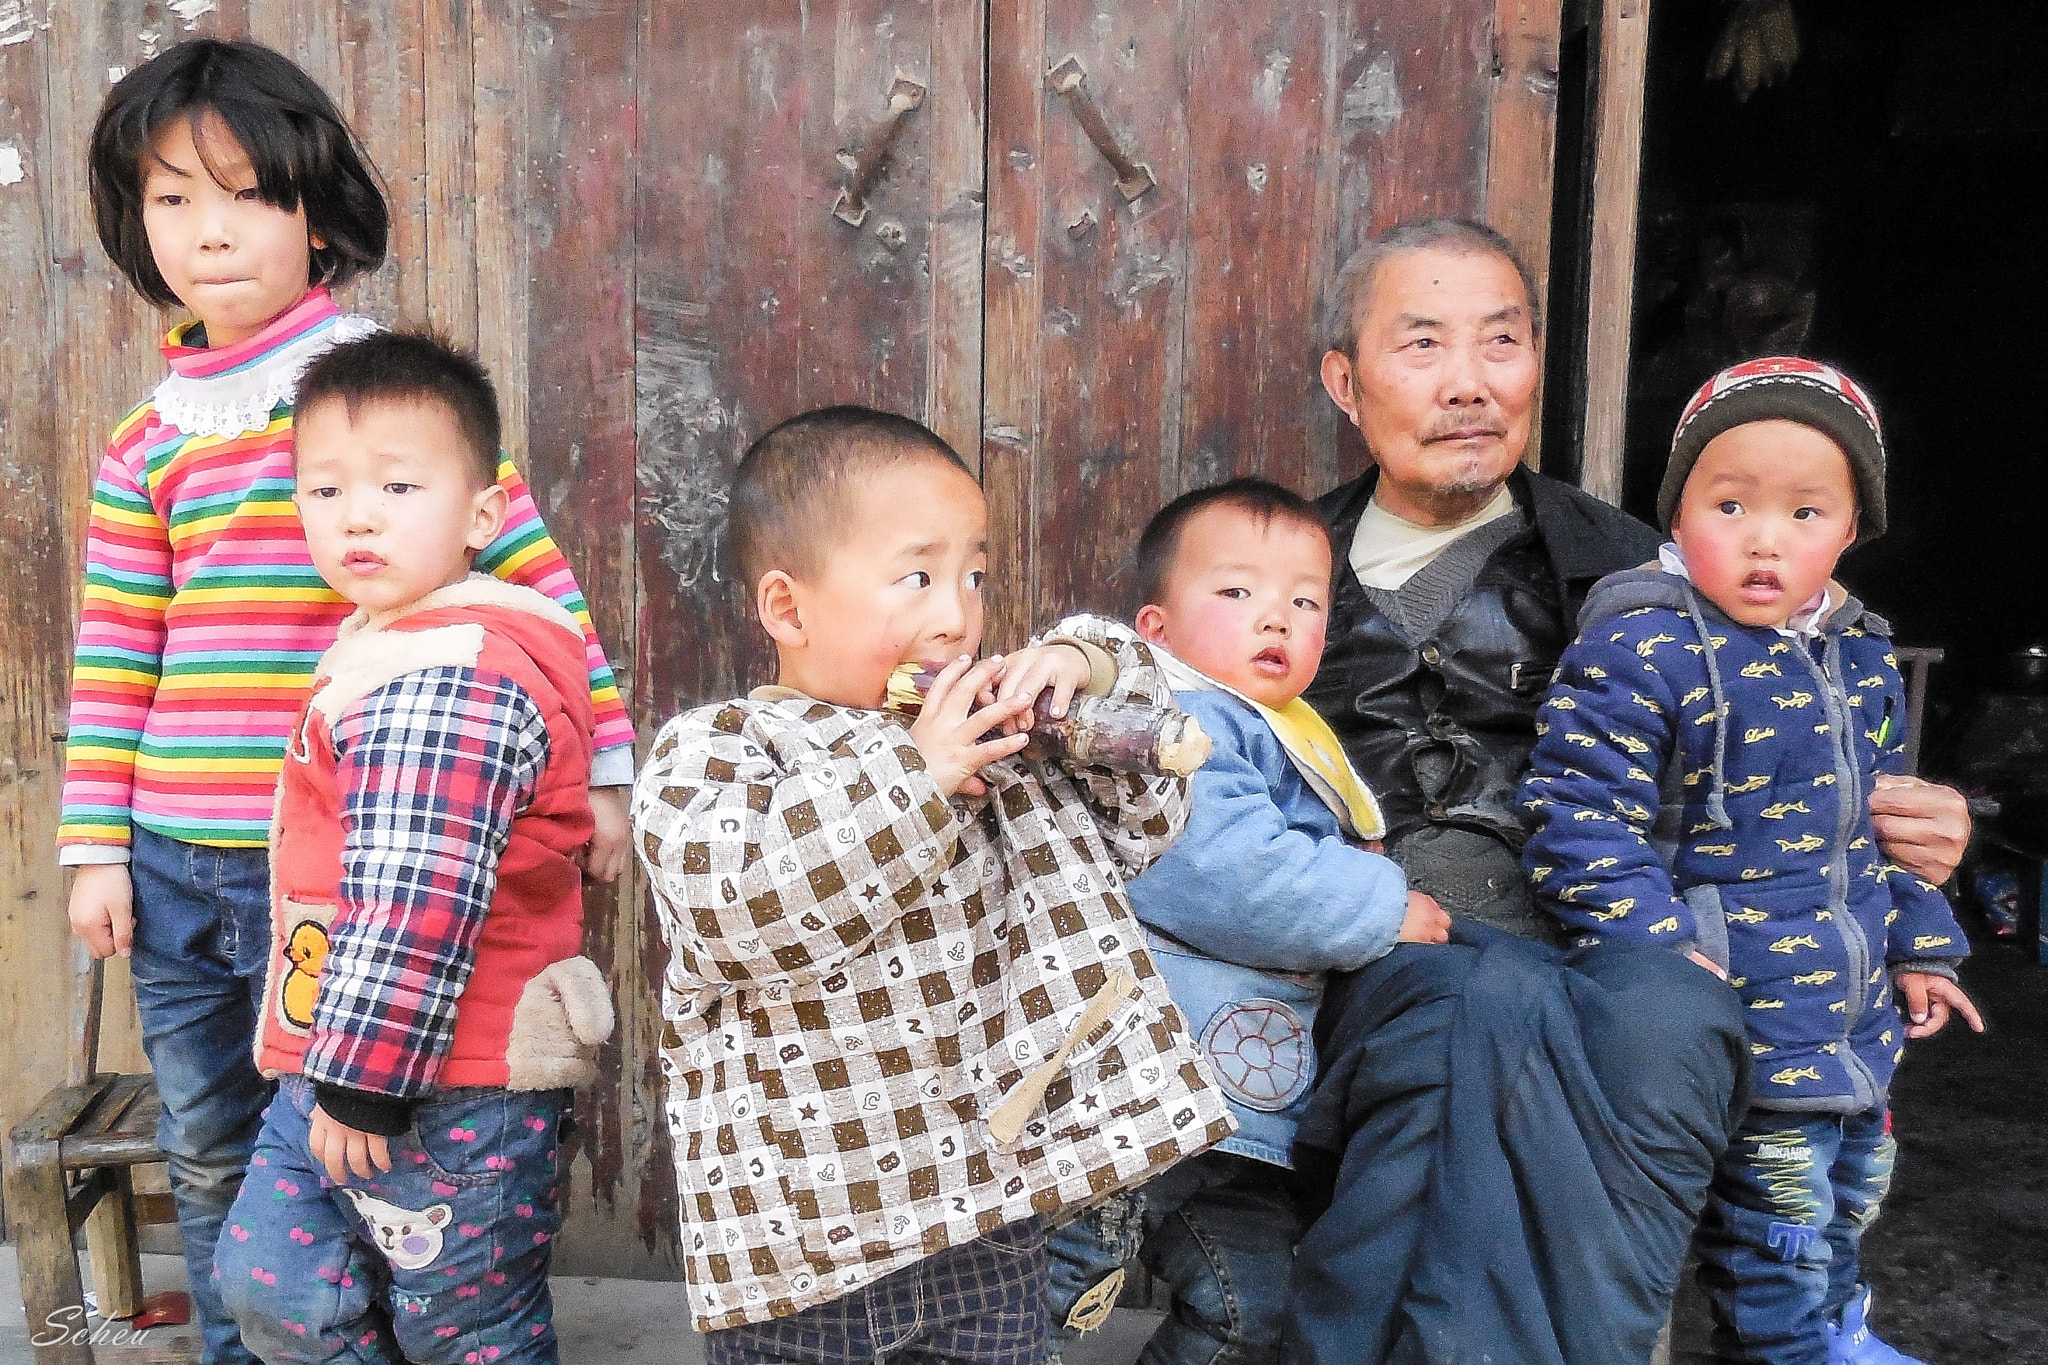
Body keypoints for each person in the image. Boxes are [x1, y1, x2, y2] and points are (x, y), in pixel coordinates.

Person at [1282, 218, 1973, 1365]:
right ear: (1344, 383)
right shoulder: (1271, 567)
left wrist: (1904, 832)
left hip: (1595, 950)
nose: (1467, 383)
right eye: (1421, 347)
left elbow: (1800, 762)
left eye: (1499, 342)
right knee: (1465, 1020)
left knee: (1649, 1018)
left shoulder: (1647, 571)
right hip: (1358, 952)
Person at [59, 41, 633, 1365]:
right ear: (135, 227)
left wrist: (604, 758)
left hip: (348, 867)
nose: (211, 234)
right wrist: (95, 845)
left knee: (366, 1140)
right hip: (178, 860)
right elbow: (115, 652)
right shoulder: (150, 443)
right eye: (172, 202)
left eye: (249, 194)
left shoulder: (389, 397)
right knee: (213, 1154)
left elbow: (541, 585)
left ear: (314, 207)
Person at [628, 406, 1234, 1365]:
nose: (957, 614)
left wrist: (1084, 662)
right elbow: (736, 914)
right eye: (917, 577)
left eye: (974, 575)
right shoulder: (719, 752)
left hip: (987, 1209)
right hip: (804, 1241)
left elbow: (1147, 821)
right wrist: (917, 773)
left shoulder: (994, 735)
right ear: (788, 608)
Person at [1520, 357, 1983, 1365]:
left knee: (1846, 1199)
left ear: (1849, 532)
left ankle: (1837, 1331)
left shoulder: (1856, 655)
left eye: (1805, 514)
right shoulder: (1639, 648)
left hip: (1849, 1026)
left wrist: (1920, 948)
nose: (1764, 538)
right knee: (1772, 1233)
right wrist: (1661, 954)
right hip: (1737, 1017)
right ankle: (1789, 1351)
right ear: (1675, 510)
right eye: (1728, 503)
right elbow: (1573, 816)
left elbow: (1874, 834)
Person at [210, 331, 615, 1363]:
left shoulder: (447, 677)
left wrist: (359, 1080)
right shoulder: (391, 642)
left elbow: (418, 892)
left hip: (438, 1087)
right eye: (325, 490)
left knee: (468, 1332)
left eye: (397, 484)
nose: (357, 515)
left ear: (483, 514)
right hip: (344, 1055)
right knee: (278, 1287)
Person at [1043, 480, 1450, 1365]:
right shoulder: (1180, 729)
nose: (1276, 620)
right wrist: (1380, 907)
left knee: (1250, 1310)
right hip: (1137, 1094)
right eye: (1237, 594)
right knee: (1052, 1293)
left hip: (1232, 1112)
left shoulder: (1282, 728)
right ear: (1154, 632)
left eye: (1304, 601)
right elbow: (1234, 878)